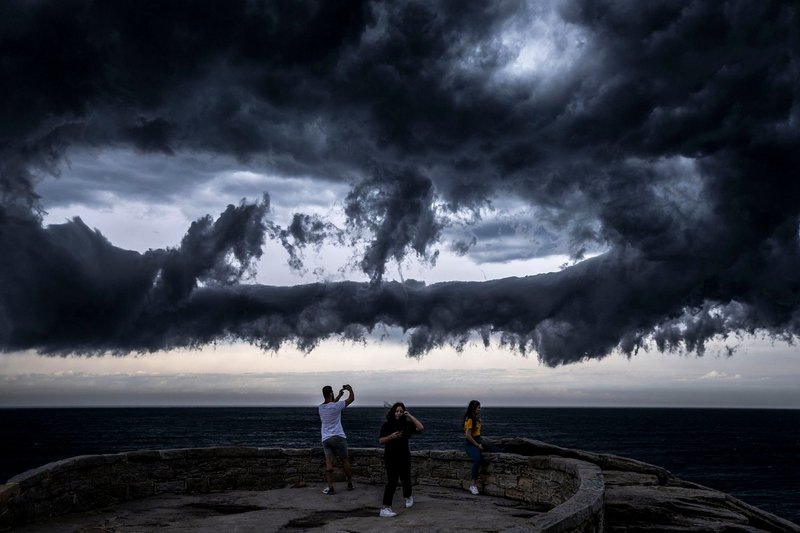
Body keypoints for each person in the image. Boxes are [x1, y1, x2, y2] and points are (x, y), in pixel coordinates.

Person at [378, 402, 424, 518]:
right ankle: (385, 508)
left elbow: (420, 427)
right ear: (393, 412)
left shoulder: (407, 424)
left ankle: (408, 497)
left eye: (401, 411)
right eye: (397, 411)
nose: (398, 413)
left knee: (406, 478)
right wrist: (391, 437)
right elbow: (381, 441)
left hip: (404, 455)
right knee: (392, 482)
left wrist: (410, 416)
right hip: (391, 456)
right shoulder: (387, 425)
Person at [318, 384, 355, 494]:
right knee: (344, 460)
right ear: (330, 393)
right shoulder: (336, 406)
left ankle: (330, 487)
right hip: (338, 437)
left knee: (329, 464)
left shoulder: (320, 408)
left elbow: (331, 404)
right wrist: (350, 389)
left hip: (326, 439)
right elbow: (351, 399)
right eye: (332, 392)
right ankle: (349, 483)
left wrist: (338, 395)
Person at [463, 399, 496, 495]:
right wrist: (477, 445)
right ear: (473, 408)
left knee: (496, 450)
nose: (479, 409)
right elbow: (468, 436)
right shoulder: (469, 419)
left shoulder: (476, 418)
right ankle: (473, 485)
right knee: (477, 459)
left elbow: (477, 433)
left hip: (479, 441)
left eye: (479, 407)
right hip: (470, 444)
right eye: (478, 408)